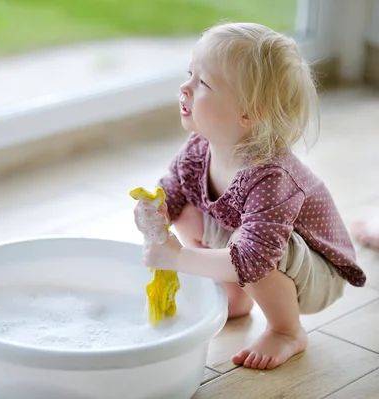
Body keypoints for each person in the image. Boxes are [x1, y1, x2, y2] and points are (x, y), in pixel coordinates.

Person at [134, 22, 366, 371]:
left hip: (317, 275)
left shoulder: (271, 175)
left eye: (203, 83)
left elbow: (257, 258)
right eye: (189, 74)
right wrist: (154, 211)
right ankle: (234, 297)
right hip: (260, 254)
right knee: (184, 210)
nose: (185, 87)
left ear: (249, 113)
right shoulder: (199, 149)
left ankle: (286, 330)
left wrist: (177, 257)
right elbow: (172, 193)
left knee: (249, 243)